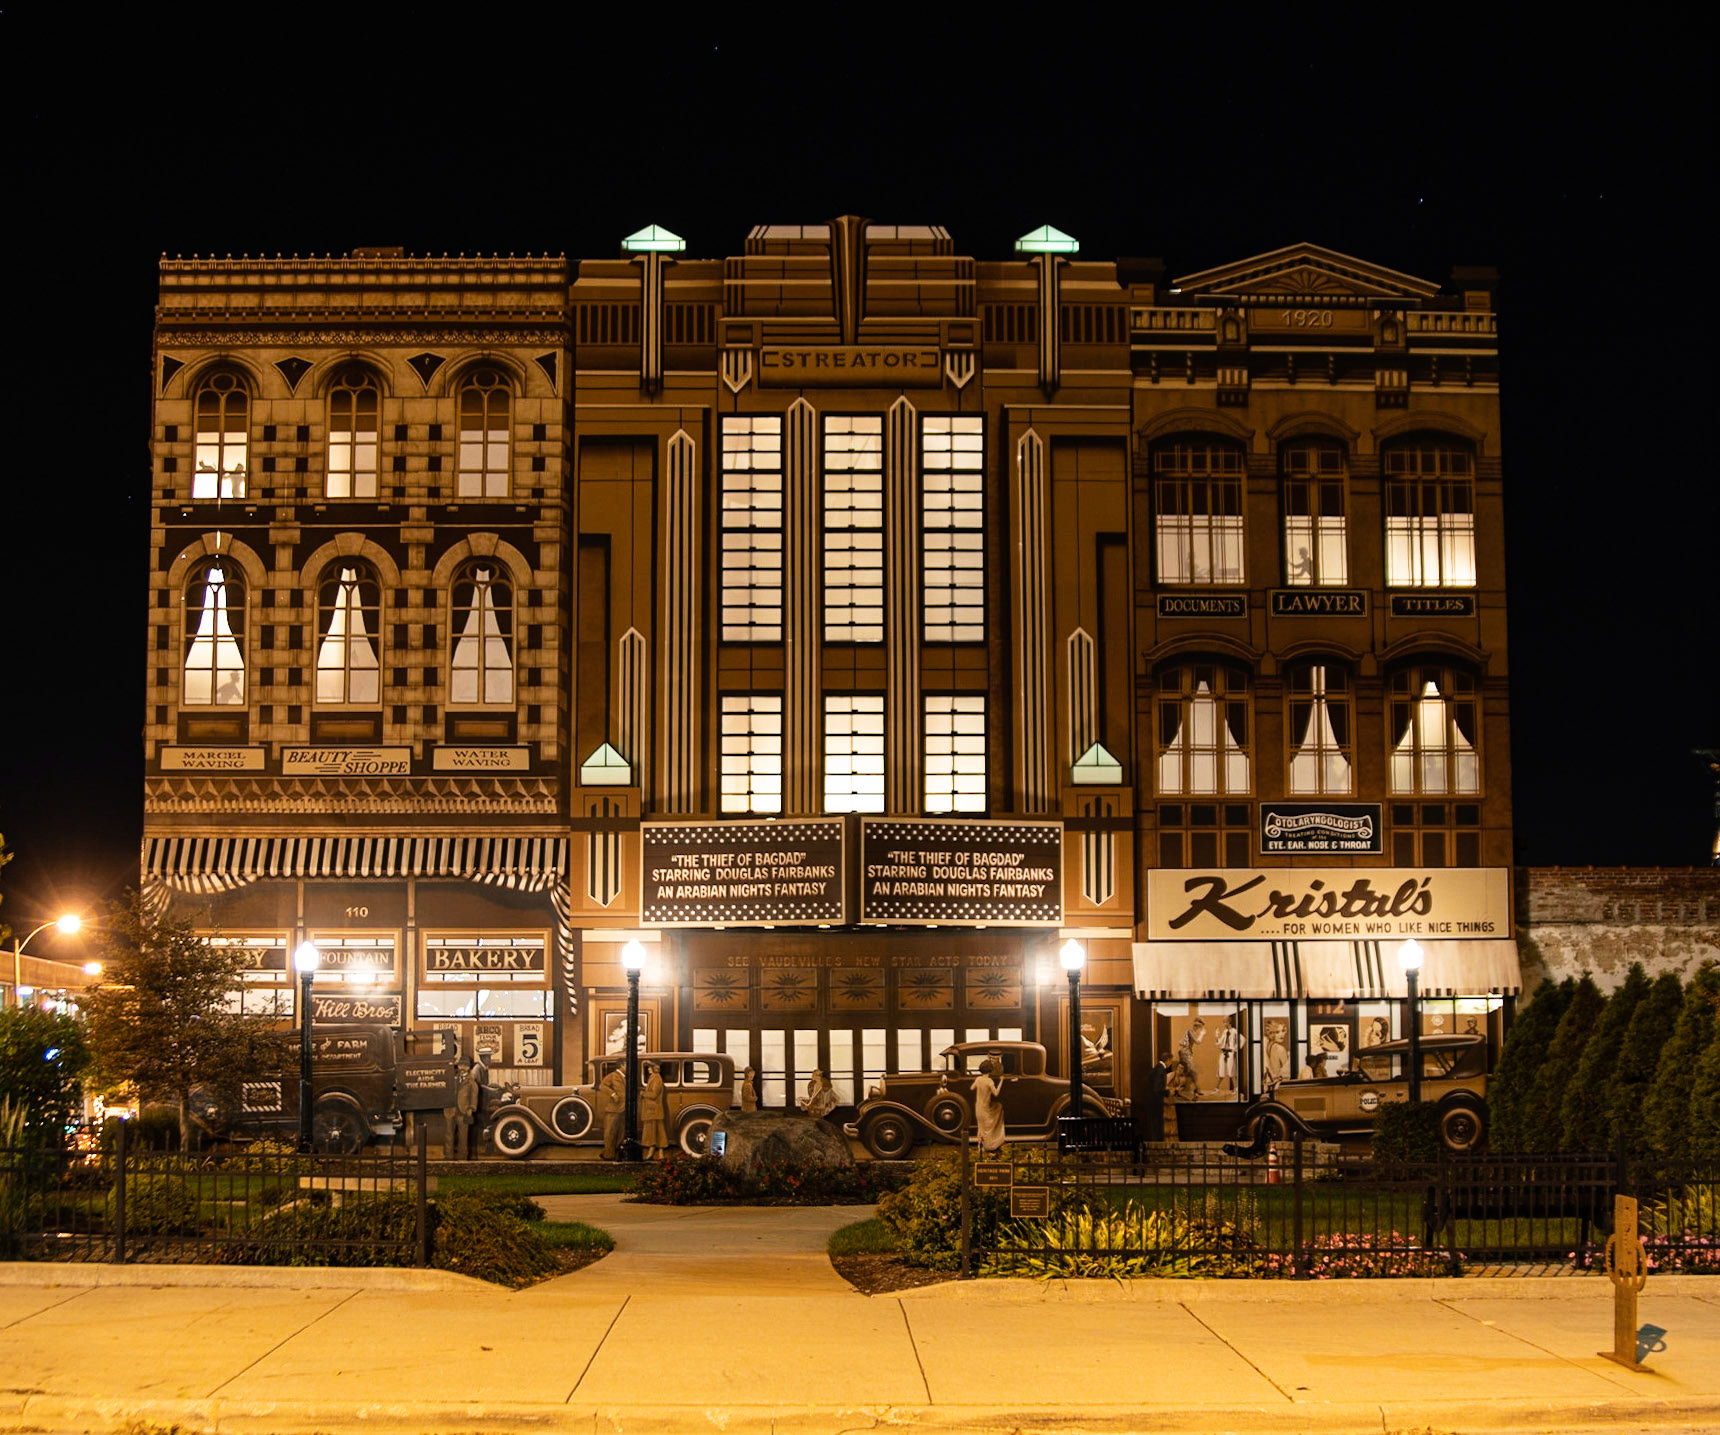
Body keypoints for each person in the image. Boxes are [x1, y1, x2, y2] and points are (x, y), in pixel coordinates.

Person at [972, 1055, 1008, 1152]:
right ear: (990, 1070)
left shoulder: (978, 1079)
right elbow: (996, 1093)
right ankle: (990, 1144)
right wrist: (1001, 1081)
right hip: (985, 1107)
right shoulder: (989, 1081)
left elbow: (972, 1088)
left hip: (978, 1107)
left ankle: (980, 1146)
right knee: (996, 1113)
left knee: (980, 1127)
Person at [450, 1058, 481, 1160]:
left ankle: (462, 1158)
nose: (462, 1068)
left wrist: (471, 1108)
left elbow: (474, 1096)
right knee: (448, 1136)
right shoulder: (452, 1079)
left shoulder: (471, 1082)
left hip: (463, 1112)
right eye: (460, 1065)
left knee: (463, 1137)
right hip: (450, 1111)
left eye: (465, 1066)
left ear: (469, 1068)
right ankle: (447, 1158)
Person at [639, 1062, 668, 1159]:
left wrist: (643, 1094)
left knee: (653, 1132)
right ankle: (660, 1154)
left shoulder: (656, 1079)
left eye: (649, 1068)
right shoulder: (655, 1078)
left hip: (653, 1110)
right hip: (654, 1110)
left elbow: (654, 1094)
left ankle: (652, 1152)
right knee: (658, 1132)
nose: (648, 1069)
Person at [598, 1064, 627, 1160]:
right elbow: (602, 1086)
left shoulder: (625, 1077)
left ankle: (615, 1154)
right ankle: (608, 1154)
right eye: (627, 1064)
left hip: (623, 1109)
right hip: (613, 1109)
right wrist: (613, 1094)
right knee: (610, 1132)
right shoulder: (612, 1075)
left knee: (620, 1133)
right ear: (622, 1065)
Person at [1175, 1019, 1206, 1100]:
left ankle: (1194, 1089)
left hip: (1186, 1053)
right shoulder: (1190, 1031)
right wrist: (1202, 1035)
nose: (1200, 1029)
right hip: (1185, 1053)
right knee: (1190, 1072)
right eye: (1200, 1027)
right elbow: (1197, 1042)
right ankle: (1193, 1089)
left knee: (1189, 1072)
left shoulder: (1191, 1032)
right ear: (1197, 1026)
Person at [1143, 1052, 1171, 1142]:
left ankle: (1155, 1140)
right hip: (1155, 1102)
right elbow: (1157, 1088)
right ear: (1168, 1060)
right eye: (1171, 1061)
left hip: (1151, 1101)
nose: (1170, 1063)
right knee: (1155, 1123)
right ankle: (1156, 1141)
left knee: (1153, 1123)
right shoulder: (1161, 1070)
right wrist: (1167, 1091)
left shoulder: (1157, 1068)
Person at [1216, 1015, 1241, 1094]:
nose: (1224, 1024)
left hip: (1230, 1052)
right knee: (1221, 1070)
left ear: (1229, 1022)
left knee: (1231, 1071)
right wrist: (1216, 1036)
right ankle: (1217, 1088)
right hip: (1223, 1052)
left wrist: (1234, 1049)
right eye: (1223, 1022)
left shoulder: (1234, 1031)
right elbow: (1220, 1042)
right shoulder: (1224, 1032)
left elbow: (1241, 1040)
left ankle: (1236, 1088)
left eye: (1225, 1022)